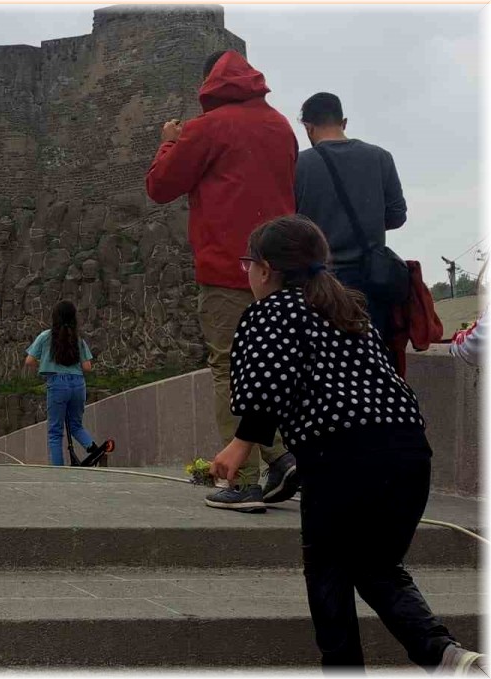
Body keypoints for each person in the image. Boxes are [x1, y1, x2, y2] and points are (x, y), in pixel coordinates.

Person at [209, 214, 482, 672]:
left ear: (266, 268)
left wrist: (238, 447)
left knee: (328, 570)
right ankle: (445, 655)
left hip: (340, 457)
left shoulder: (271, 312)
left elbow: (267, 388)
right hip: (409, 452)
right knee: (377, 568)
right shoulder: (349, 309)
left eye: (247, 263)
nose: (247, 274)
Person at [145, 49, 299, 512]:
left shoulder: (207, 127)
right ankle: (284, 458)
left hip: (228, 267)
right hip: (282, 269)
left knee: (229, 368)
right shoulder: (280, 125)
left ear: (209, 81)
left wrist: (169, 141)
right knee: (276, 367)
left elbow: (160, 186)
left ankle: (241, 479)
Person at [294, 92, 408, 343]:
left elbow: (292, 228)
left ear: (308, 127)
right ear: (343, 122)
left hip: (321, 285)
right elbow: (398, 216)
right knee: (376, 359)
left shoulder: (299, 165)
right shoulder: (380, 157)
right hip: (374, 281)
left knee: (331, 363)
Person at [24, 300, 114, 467]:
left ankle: (59, 470)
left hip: (57, 383)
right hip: (78, 384)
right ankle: (95, 450)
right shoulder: (77, 339)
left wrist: (44, 365)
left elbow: (29, 361)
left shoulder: (45, 336)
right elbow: (87, 367)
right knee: (75, 425)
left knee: (55, 432)